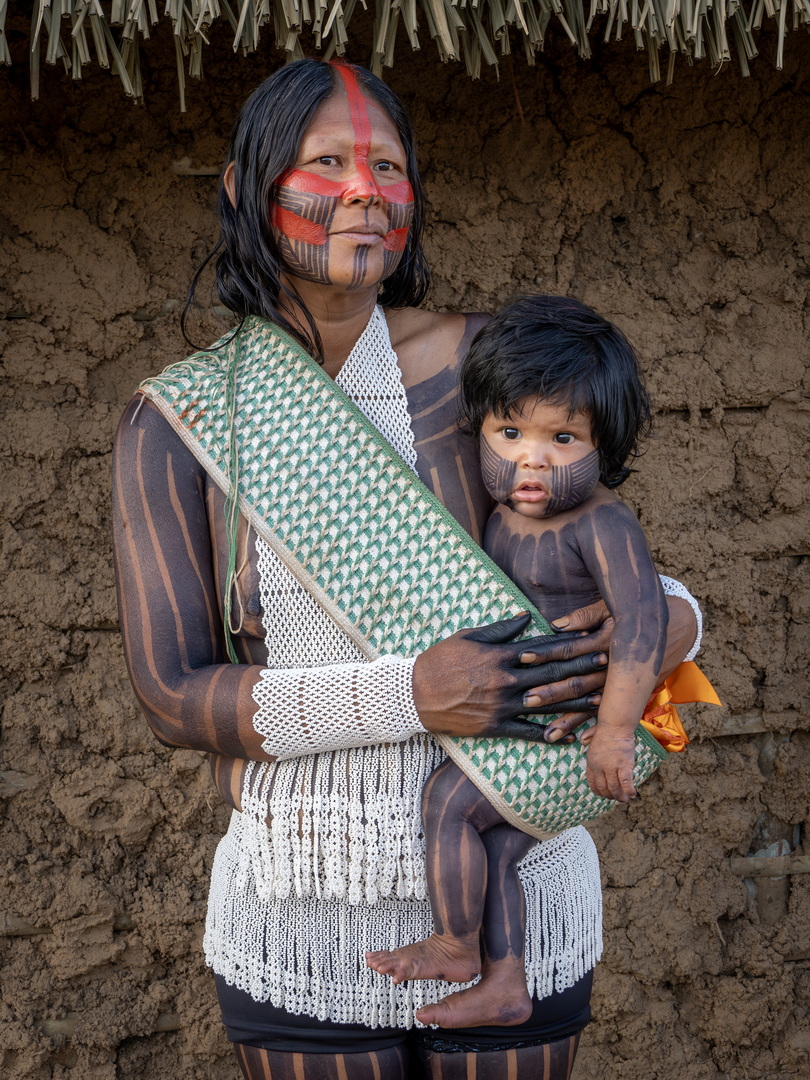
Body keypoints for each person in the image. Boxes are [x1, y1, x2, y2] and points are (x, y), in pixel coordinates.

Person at [112, 59, 702, 1080]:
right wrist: (412, 694)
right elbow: (172, 695)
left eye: (387, 167)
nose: (362, 192)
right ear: (245, 190)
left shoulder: (488, 368)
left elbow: (619, 561)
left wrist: (673, 625)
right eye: (327, 162)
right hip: (306, 906)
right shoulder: (184, 422)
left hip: (519, 886)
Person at [367, 294, 714, 1030]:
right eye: (511, 431)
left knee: (449, 804)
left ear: (604, 450)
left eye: (563, 438)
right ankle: (505, 981)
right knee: (491, 842)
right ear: (481, 431)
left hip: (591, 731)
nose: (533, 456)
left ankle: (459, 944)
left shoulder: (601, 520)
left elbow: (644, 620)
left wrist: (614, 732)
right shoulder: (497, 519)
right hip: (541, 725)